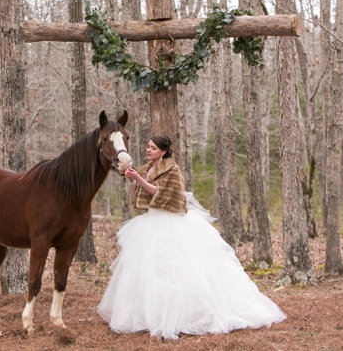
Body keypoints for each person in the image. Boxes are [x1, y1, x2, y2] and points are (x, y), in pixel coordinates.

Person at [97, 135, 286, 338]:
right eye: (147, 147)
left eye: (153, 148)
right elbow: (137, 202)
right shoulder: (145, 169)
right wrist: (132, 182)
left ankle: (186, 315)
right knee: (150, 272)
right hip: (150, 223)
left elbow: (169, 196)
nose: (148, 150)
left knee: (179, 269)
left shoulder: (172, 170)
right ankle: (151, 315)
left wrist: (140, 180)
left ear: (163, 151)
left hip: (171, 223)